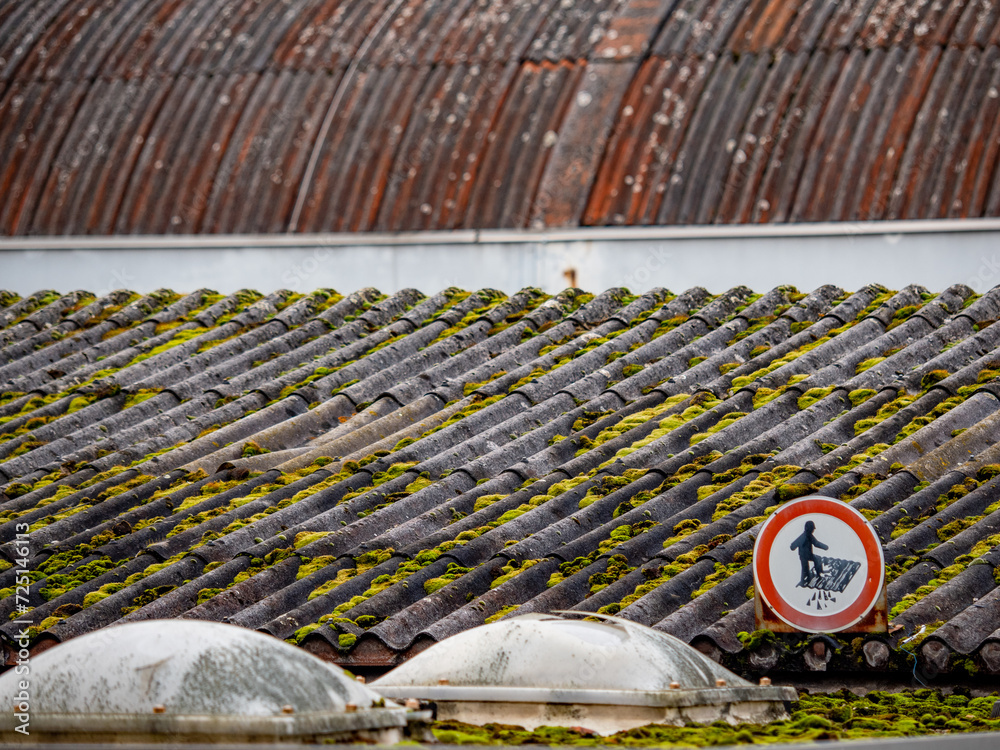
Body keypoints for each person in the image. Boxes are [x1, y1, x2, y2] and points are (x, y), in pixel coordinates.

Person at [790, 520, 828, 586]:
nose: (813, 530)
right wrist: (825, 547)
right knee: (813, 562)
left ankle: (806, 579)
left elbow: (792, 546)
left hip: (804, 556)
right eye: (813, 529)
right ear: (810, 528)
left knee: (807, 567)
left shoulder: (803, 536)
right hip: (806, 555)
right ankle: (816, 576)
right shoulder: (808, 536)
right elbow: (816, 543)